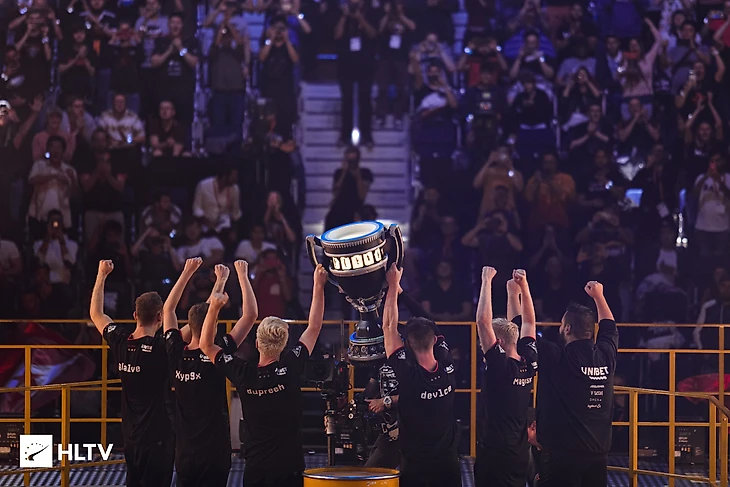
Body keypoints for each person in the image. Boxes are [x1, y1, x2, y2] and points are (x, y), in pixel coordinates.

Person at [200, 264, 328, 487]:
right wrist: (318, 285)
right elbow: (314, 327)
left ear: (257, 344)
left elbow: (206, 345)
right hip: (289, 467)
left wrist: (214, 307)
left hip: (256, 468)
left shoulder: (242, 372)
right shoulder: (291, 366)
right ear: (284, 345)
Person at [162, 259, 258, 486]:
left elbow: (168, 309)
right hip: (215, 452)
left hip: (184, 452)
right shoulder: (217, 353)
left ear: (189, 324)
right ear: (214, 327)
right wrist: (240, 276)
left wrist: (187, 272)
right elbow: (250, 316)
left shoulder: (175, 351)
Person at [89, 260, 173, 487]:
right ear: (160, 318)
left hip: (130, 435)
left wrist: (102, 274)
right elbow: (193, 328)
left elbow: (96, 313)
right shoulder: (160, 348)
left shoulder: (120, 340)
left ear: (135, 315)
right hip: (157, 437)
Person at [382, 264, 460, 487]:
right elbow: (430, 322)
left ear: (407, 344)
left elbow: (388, 326)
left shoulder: (408, 375)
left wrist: (393, 287)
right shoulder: (447, 364)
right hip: (448, 465)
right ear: (434, 340)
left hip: (415, 467)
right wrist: (401, 292)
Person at [536, 281, 618, 487]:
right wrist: (599, 296)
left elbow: (525, 332)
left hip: (561, 457)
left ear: (567, 328)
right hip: (598, 455)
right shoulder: (606, 355)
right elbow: (609, 326)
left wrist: (518, 292)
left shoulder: (558, 357)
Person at [474, 266, 538, 487]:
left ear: (498, 343)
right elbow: (528, 323)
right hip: (519, 453)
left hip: (495, 454)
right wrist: (522, 287)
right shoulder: (528, 360)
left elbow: (483, 322)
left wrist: (486, 280)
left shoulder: (500, 367)